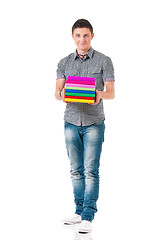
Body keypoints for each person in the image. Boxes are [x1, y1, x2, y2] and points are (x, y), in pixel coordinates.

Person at [55, 19, 115, 233]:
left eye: (86, 35)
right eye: (78, 35)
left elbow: (111, 93)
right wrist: (63, 94)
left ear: (92, 36)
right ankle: (79, 211)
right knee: (75, 170)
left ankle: (88, 215)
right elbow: (57, 93)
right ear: (73, 37)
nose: (82, 39)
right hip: (71, 121)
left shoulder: (104, 61)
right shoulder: (64, 62)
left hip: (94, 123)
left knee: (91, 170)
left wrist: (97, 94)